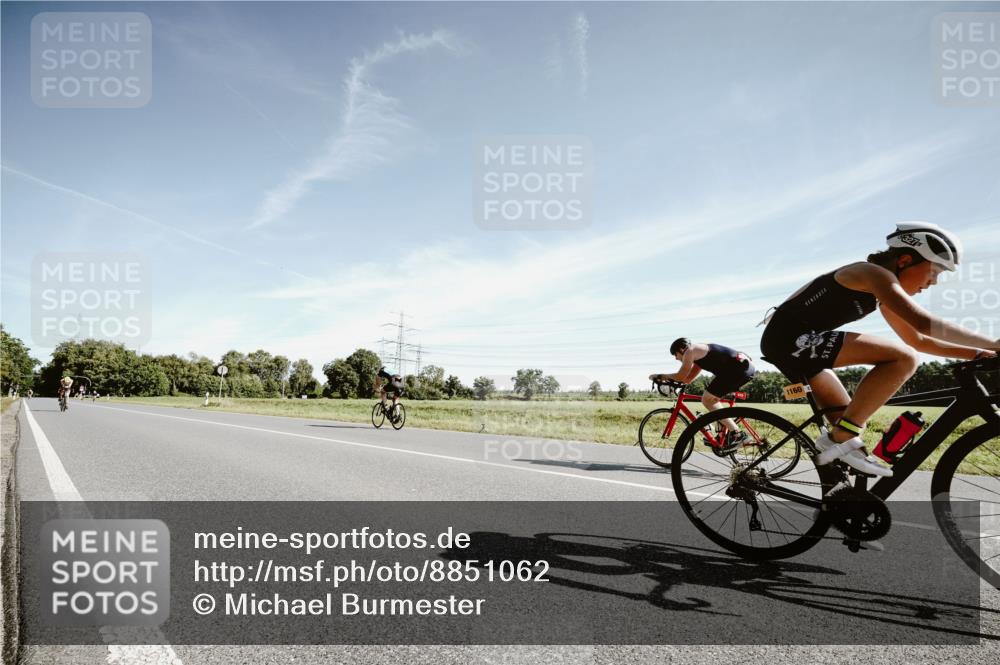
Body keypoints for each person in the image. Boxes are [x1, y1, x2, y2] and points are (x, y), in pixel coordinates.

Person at [761, 222, 999, 477]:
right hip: (790, 340)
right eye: (934, 271)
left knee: (851, 429)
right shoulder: (872, 274)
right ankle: (836, 442)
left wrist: (976, 354)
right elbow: (923, 323)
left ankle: (838, 494)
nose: (934, 282)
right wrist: (994, 343)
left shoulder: (878, 292)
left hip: (798, 347)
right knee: (903, 358)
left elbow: (918, 339)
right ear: (905, 260)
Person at [650, 338, 756, 451]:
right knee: (713, 401)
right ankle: (723, 435)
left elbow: (681, 375)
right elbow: (687, 379)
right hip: (743, 367)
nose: (676, 358)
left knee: (707, 399)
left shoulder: (690, 351)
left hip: (738, 368)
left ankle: (738, 434)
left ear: (681, 349)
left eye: (675, 355)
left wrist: (660, 376)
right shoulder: (698, 355)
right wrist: (670, 381)